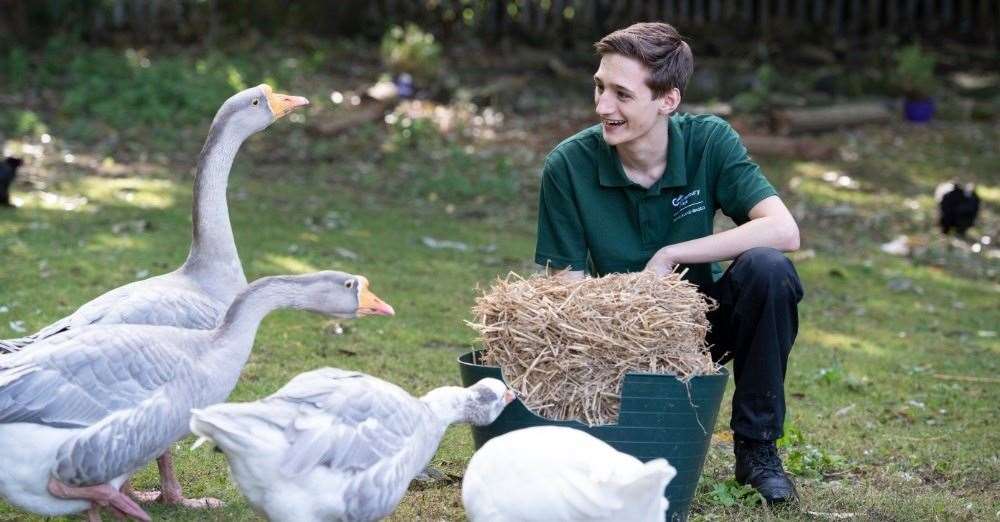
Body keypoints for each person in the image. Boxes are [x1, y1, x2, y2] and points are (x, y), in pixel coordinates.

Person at [533, 22, 804, 504]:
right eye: (599, 87)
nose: (601, 107)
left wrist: (672, 254)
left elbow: (784, 230)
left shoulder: (708, 142)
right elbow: (566, 294)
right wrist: (626, 317)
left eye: (621, 94)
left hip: (702, 329)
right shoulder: (568, 166)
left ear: (668, 101)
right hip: (614, 339)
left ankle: (757, 449)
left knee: (768, 270)